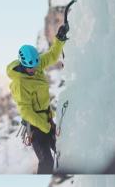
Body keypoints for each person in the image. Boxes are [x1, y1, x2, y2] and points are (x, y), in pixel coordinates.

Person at [7, 23, 71, 174]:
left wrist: (60, 38)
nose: (35, 70)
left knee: (65, 152)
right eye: (31, 68)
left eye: (36, 66)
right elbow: (26, 112)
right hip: (36, 128)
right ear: (23, 65)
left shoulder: (35, 64)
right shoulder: (20, 83)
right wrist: (46, 127)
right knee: (47, 161)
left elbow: (52, 55)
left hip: (47, 120)